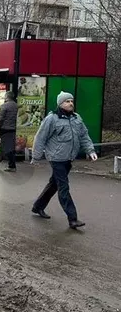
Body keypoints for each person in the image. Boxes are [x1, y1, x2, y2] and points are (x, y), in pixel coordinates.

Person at [31, 91, 98, 229]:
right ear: (60, 104)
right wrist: (36, 157)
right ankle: (72, 218)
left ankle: (38, 206)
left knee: (54, 184)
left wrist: (90, 150)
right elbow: (40, 137)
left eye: (72, 101)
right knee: (63, 187)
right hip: (56, 158)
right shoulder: (52, 119)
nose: (71, 103)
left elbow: (84, 135)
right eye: (67, 101)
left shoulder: (76, 118)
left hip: (68, 158)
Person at [0, 91, 18, 172]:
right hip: (12, 129)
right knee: (6, 146)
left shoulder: (4, 106)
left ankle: (12, 166)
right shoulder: (16, 106)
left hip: (4, 129)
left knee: (6, 148)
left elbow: (0, 119)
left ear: (6, 97)